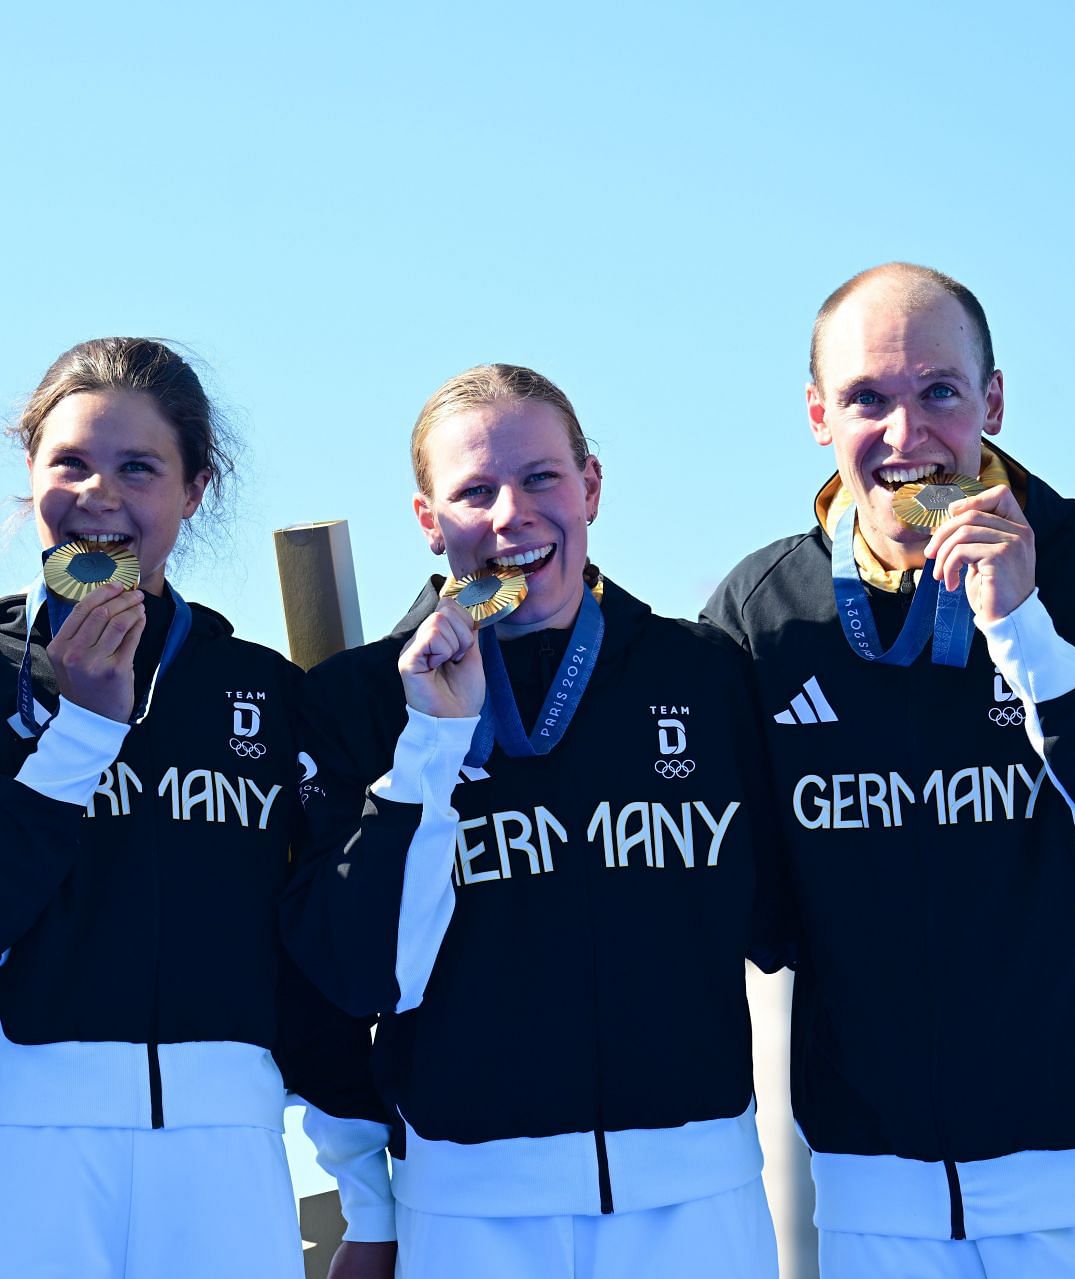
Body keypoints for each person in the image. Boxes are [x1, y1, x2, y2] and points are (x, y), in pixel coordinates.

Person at [702, 262, 1075, 1278]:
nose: (907, 436)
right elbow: (744, 904)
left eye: (939, 391)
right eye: (867, 398)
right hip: (871, 1194)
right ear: (818, 414)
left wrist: (1023, 628)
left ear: (992, 400)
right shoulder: (763, 615)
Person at [0, 337, 392, 1279]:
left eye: (139, 468)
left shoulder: (266, 692)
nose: (100, 494)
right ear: (29, 477)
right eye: (68, 462)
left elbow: (310, 966)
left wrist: (367, 1184)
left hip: (228, 1148)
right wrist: (75, 738)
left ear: (195, 489)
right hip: (25, 1142)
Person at [284, 363, 785, 1279]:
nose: (512, 514)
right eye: (474, 491)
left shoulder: (704, 674)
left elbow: (789, 918)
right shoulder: (355, 701)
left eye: (541, 478)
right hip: (472, 1205)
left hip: (698, 1196)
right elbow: (353, 976)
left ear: (590, 485)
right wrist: (432, 742)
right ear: (429, 520)